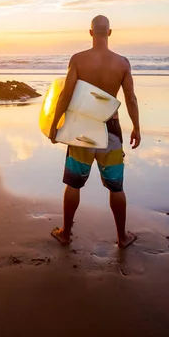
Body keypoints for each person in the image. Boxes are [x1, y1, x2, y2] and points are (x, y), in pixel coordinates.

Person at [48, 15, 141, 248]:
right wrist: (137, 127)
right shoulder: (122, 63)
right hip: (111, 128)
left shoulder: (78, 60)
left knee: (74, 183)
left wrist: (54, 123)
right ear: (109, 33)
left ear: (90, 32)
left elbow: (65, 94)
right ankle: (122, 237)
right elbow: (130, 98)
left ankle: (65, 233)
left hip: (82, 129)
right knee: (116, 186)